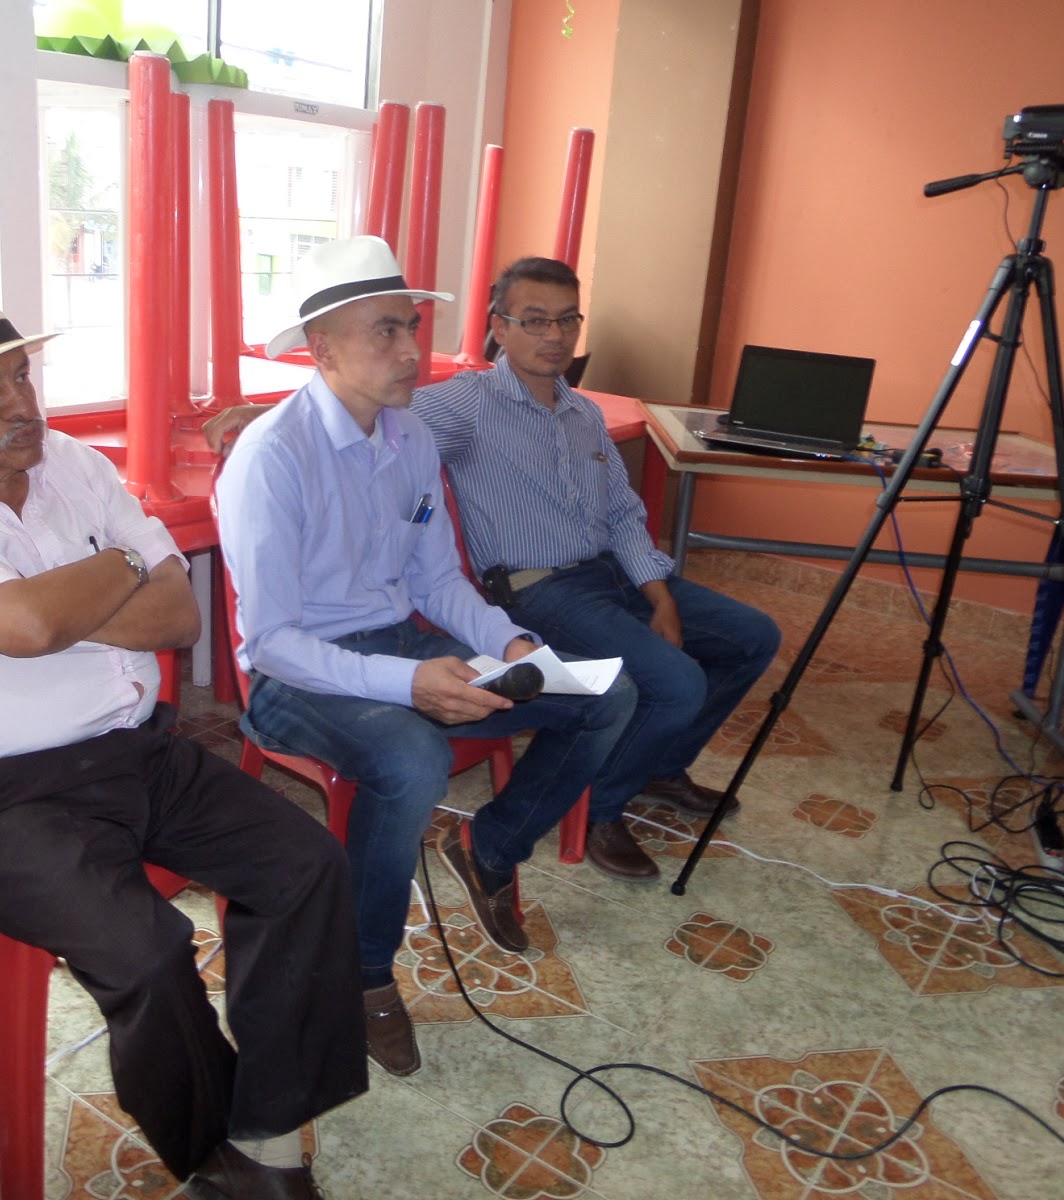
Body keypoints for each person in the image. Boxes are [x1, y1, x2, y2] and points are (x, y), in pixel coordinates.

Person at [0, 276, 365, 1200]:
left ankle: (270, 1123)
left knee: (307, 865)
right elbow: (31, 622)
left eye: (20, 376)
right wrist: (102, 576)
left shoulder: (73, 465)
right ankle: (212, 1154)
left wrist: (50, 602)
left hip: (138, 751)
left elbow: (175, 615)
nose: (20, 403)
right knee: (147, 954)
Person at [205, 256, 781, 883]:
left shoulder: (550, 418)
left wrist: (619, 605)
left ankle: (516, 836)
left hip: (544, 593)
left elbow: (602, 520)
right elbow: (340, 412)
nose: (554, 335)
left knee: (672, 668)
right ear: (499, 328)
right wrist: (271, 415)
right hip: (455, 615)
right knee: (665, 686)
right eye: (534, 320)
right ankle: (597, 811)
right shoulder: (448, 409)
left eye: (567, 320)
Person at [214, 237, 634, 1079]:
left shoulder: (407, 436)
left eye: (410, 326)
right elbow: (275, 642)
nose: (411, 350)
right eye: (386, 331)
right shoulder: (272, 457)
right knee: (412, 758)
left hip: (397, 639)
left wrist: (510, 644)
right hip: (295, 676)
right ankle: (366, 972)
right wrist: (408, 683)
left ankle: (492, 847)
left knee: (603, 698)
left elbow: (437, 579)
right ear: (322, 349)